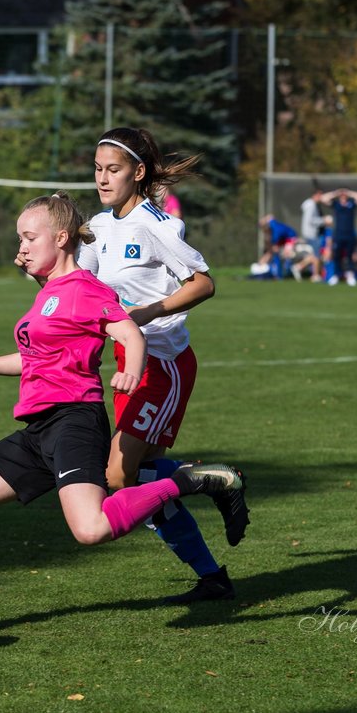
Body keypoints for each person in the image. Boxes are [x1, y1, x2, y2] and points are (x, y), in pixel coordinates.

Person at [0, 192, 244, 603]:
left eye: (29, 238)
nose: (21, 248)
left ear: (60, 238)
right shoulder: (50, 291)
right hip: (38, 428)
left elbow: (128, 330)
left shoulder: (84, 288)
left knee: (91, 528)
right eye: (19, 240)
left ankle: (182, 481)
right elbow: (31, 359)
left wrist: (131, 368)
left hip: (74, 423)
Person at [76, 127, 250, 604]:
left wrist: (149, 312)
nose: (103, 178)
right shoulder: (99, 226)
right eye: (97, 169)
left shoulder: (156, 225)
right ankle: (212, 575)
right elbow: (82, 285)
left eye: (113, 170)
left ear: (138, 172)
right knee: (142, 484)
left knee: (118, 478)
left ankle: (209, 479)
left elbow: (203, 283)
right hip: (127, 362)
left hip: (163, 363)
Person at [326, 187, 357, 286]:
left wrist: (349, 192)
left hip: (349, 235)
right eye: (342, 195)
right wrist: (336, 193)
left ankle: (350, 276)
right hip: (338, 235)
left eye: (344, 195)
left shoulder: (351, 204)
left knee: (349, 256)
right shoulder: (336, 205)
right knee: (337, 256)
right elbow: (323, 198)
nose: (343, 196)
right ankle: (336, 275)